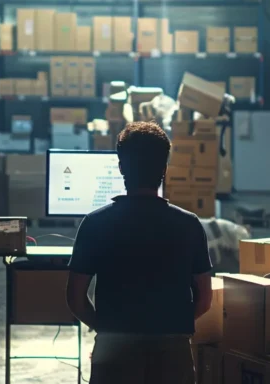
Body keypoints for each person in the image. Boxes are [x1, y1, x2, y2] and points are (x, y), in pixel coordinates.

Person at [66, 121, 214, 384]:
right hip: (173, 352)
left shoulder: (95, 224)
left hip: (114, 351)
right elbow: (204, 300)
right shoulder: (189, 225)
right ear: (164, 170)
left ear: (121, 167)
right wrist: (173, 324)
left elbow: (75, 299)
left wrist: (108, 328)